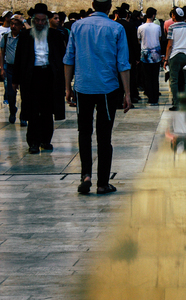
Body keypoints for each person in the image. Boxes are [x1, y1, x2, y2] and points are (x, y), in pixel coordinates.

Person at [63, 0, 131, 194]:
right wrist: (127, 93)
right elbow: (123, 63)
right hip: (107, 89)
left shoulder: (77, 26)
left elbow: (69, 58)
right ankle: (103, 183)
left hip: (83, 87)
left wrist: (68, 87)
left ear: (93, 5)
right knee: (104, 136)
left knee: (84, 132)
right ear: (110, 7)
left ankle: (85, 175)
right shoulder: (116, 28)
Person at [12, 3, 66, 154]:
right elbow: (19, 59)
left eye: (43, 21)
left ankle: (46, 140)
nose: (40, 24)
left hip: (49, 75)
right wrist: (15, 80)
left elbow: (62, 57)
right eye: (38, 21)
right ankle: (33, 142)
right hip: (31, 76)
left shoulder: (55, 36)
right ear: (33, 20)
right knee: (32, 110)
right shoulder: (25, 36)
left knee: (48, 110)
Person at [163, 7, 186, 111]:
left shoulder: (172, 27)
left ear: (174, 16)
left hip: (175, 55)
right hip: (185, 55)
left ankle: (176, 103)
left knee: (174, 80)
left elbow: (170, 45)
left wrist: (166, 59)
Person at [0, 14, 27, 126]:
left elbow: (33, 32)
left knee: (25, 94)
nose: (13, 26)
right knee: (11, 93)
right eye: (12, 24)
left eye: (16, 24)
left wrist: (24, 20)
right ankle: (12, 110)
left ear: (21, 26)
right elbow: (1, 52)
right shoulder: (6, 37)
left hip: (23, 68)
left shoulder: (25, 37)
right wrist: (2, 68)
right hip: (10, 68)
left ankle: (23, 116)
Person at [138, 7, 161, 106]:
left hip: (145, 54)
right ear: (153, 15)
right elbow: (159, 39)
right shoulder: (157, 27)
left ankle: (150, 97)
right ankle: (155, 97)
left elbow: (139, 40)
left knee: (147, 77)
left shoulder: (141, 27)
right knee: (155, 77)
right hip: (156, 54)